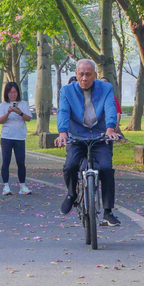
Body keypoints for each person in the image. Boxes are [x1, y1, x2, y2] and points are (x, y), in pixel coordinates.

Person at [55, 58, 121, 227]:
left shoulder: (106, 88)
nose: (84, 78)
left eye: (88, 74)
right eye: (81, 74)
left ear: (95, 75)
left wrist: (110, 129)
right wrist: (63, 133)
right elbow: (63, 112)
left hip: (100, 136)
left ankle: (107, 211)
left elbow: (110, 108)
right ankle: (71, 194)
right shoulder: (67, 91)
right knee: (70, 165)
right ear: (76, 75)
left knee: (106, 168)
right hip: (76, 137)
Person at [0, 81, 32, 195]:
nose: (12, 94)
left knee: (20, 162)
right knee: (6, 161)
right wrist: (8, 112)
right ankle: (6, 186)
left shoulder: (23, 104)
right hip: (7, 136)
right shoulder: (2, 105)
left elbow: (28, 118)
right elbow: (0, 121)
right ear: (6, 93)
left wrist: (20, 113)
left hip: (20, 137)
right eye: (10, 92)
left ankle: (23, 186)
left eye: (14, 92)